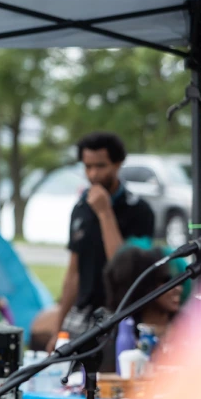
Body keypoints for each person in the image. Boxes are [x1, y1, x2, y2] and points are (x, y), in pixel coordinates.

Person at [48, 132, 155, 351]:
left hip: (119, 313)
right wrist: (57, 330)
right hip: (83, 312)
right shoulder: (81, 208)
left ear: (118, 164)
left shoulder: (139, 210)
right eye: (87, 167)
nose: (93, 174)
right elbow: (73, 272)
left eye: (101, 166)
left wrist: (105, 213)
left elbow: (123, 270)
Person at [104, 246, 182, 367]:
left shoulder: (191, 327)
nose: (178, 288)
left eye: (176, 281)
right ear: (143, 287)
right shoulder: (119, 338)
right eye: (165, 280)